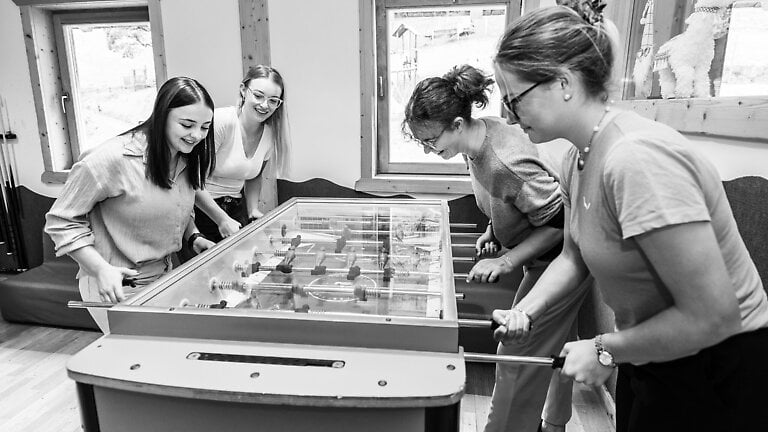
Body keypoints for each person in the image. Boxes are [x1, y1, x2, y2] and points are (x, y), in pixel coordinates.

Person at [491, 2, 768, 431]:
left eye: (515, 98)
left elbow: (714, 315)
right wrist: (526, 311)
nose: (509, 114)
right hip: (651, 350)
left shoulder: (634, 159)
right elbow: (573, 257)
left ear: (563, 83)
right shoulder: (576, 158)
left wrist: (604, 348)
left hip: (716, 365)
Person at [403, 64, 592, 432]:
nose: (428, 149)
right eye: (421, 142)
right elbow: (508, 197)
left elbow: (558, 223)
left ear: (457, 124)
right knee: (556, 339)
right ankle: (555, 424)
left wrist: (507, 261)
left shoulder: (505, 161)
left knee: (515, 347)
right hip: (543, 254)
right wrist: (494, 228)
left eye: (431, 140)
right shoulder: (475, 138)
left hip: (560, 259)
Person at [45, 77, 217, 333]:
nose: (197, 135)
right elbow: (60, 221)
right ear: (162, 116)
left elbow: (175, 206)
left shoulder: (184, 155)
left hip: (164, 275)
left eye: (205, 127)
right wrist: (100, 269)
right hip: (118, 285)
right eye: (187, 125)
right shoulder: (111, 158)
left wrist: (194, 237)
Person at [193, 65, 290, 243]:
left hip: (236, 208)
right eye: (258, 96)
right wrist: (221, 219)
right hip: (201, 210)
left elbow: (254, 176)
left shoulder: (270, 134)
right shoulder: (222, 121)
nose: (264, 105)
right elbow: (193, 181)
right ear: (243, 90)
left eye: (273, 100)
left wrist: (253, 210)